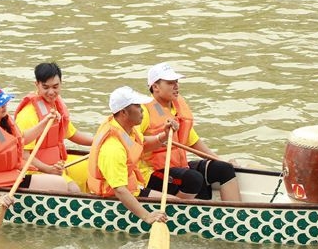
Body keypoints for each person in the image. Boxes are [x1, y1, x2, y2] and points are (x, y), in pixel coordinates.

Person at [139, 63, 241, 202]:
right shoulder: (143, 112)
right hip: (151, 174)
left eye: (176, 81)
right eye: (170, 82)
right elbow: (133, 142)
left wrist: (220, 159)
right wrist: (159, 140)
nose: (176, 86)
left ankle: (235, 211)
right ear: (155, 87)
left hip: (179, 168)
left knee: (224, 169)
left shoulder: (177, 109)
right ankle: (174, 212)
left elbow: (193, 142)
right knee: (193, 179)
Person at [0, 82, 73, 208]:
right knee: (59, 184)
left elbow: (22, 139)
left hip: (12, 177)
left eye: (4, 102)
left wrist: (46, 121)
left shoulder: (3, 123)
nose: (4, 106)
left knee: (60, 183)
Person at [86, 86, 167, 224]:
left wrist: (163, 135)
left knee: (176, 198)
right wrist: (147, 217)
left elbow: (143, 144)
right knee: (176, 201)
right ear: (123, 112)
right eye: (137, 106)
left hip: (133, 188)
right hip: (116, 196)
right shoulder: (113, 148)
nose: (142, 109)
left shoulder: (127, 129)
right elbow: (119, 190)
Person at [14, 62, 93, 192]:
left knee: (94, 168)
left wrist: (97, 141)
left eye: (55, 87)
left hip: (55, 165)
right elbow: (23, 155)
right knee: (73, 189)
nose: (51, 92)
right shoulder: (27, 114)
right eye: (45, 87)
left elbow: (71, 134)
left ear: (61, 84)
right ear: (37, 85)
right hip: (34, 170)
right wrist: (48, 169)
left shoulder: (56, 105)